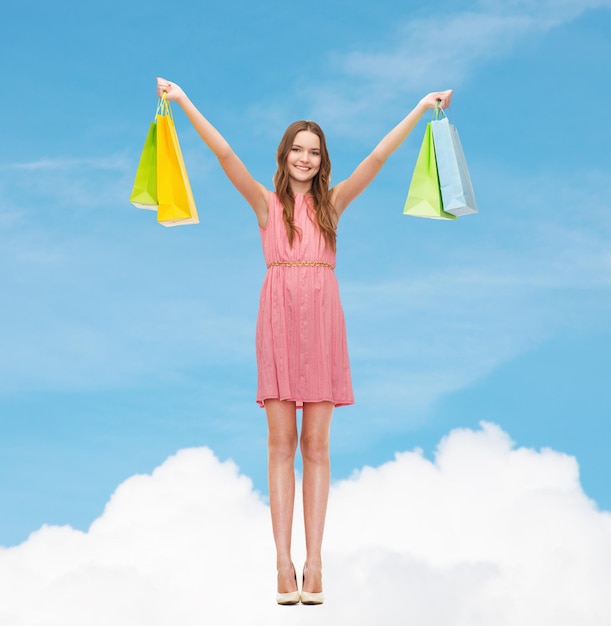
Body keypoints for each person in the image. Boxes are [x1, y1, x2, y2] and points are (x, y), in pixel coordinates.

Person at [155, 78, 452, 605]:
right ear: (284, 154)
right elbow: (223, 153)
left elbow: (378, 157)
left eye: (314, 152)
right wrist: (181, 100)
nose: (305, 158)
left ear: (322, 161)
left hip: (322, 322)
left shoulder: (333, 206)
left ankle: (315, 563)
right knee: (280, 445)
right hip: (276, 321)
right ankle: (281, 563)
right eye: (298, 149)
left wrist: (420, 107)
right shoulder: (266, 206)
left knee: (316, 446)